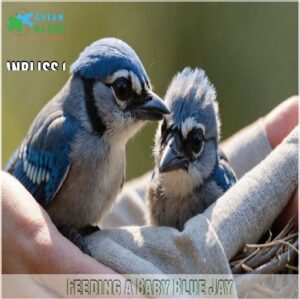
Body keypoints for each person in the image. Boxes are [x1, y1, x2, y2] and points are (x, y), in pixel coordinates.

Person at [2, 96, 298, 274]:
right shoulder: (65, 138)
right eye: (166, 135)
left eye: (194, 142)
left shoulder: (219, 178)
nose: (168, 156)